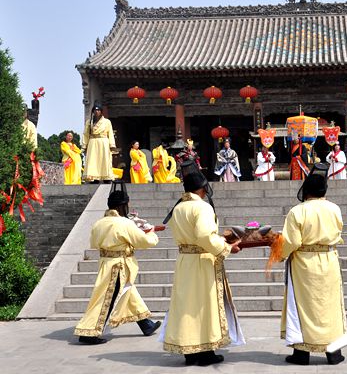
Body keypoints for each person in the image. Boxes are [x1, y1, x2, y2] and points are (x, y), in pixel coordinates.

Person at [162, 165, 244, 366]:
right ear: (202, 189)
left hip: (184, 260)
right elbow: (203, 235)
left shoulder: (178, 208)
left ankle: (189, 351)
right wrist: (227, 248)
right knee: (204, 305)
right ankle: (206, 350)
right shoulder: (202, 207)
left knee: (187, 305)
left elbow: (180, 231)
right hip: (202, 261)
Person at [73, 181, 161, 344]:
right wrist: (152, 233)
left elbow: (94, 242)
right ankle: (89, 332)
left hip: (106, 262)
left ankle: (146, 324)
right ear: (122, 206)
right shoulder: (124, 223)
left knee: (127, 292)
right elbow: (143, 241)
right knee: (106, 300)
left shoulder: (98, 223)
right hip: (118, 266)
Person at [279, 163, 346, 365]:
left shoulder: (297, 212)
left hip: (304, 264)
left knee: (303, 306)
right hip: (328, 259)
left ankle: (302, 352)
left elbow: (291, 241)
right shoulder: (334, 209)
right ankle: (333, 352)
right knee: (330, 305)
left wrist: (280, 254)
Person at [82, 104, 115, 183]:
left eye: (98, 110)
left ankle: (106, 177)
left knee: (104, 160)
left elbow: (110, 133)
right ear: (93, 112)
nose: (97, 112)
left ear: (101, 112)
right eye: (95, 110)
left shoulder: (107, 122)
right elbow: (86, 134)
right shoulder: (89, 122)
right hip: (93, 142)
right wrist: (84, 145)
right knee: (93, 160)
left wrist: (112, 145)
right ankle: (94, 177)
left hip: (103, 141)